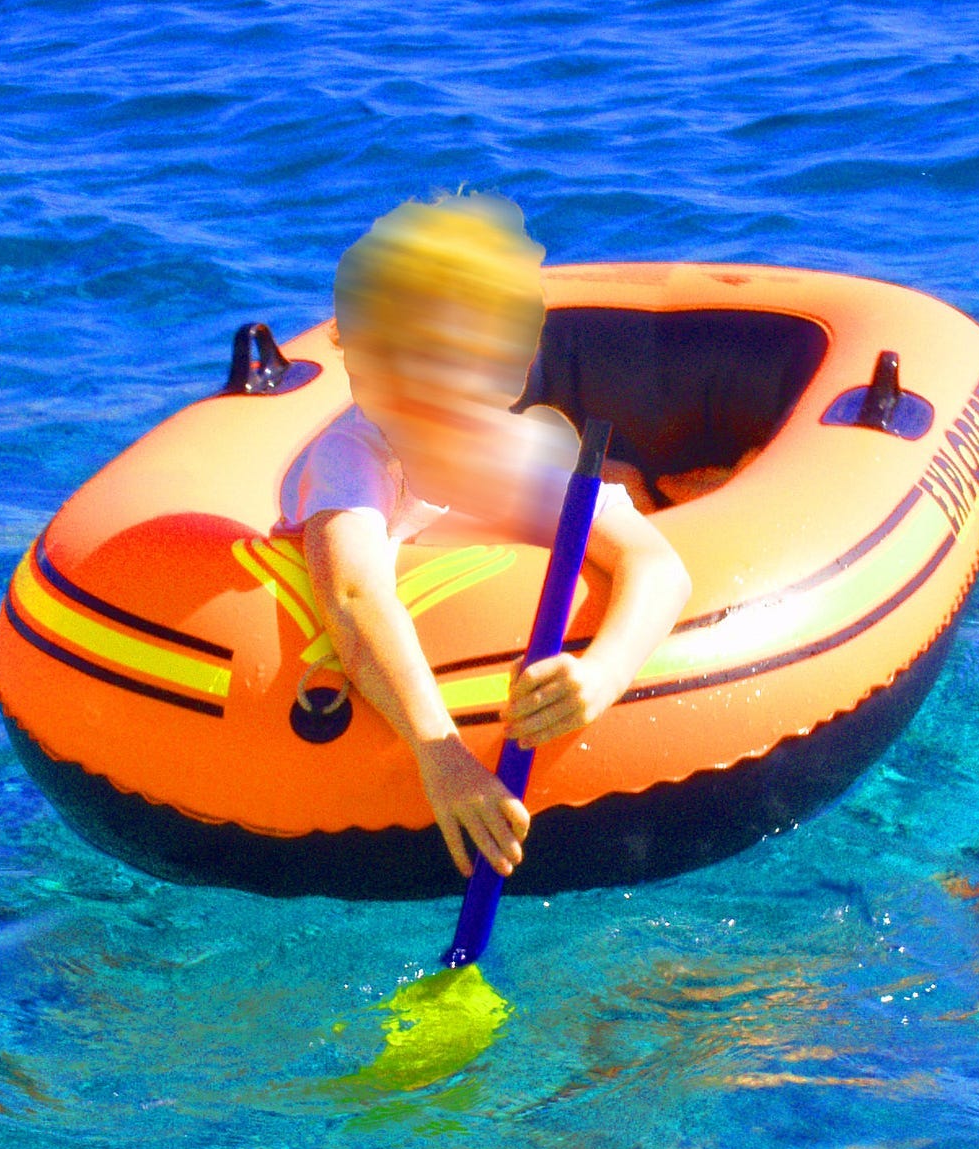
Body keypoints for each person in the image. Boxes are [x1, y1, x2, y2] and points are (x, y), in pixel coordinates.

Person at [278, 193, 691, 883]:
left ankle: (654, 480)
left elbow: (656, 563)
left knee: (620, 491)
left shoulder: (515, 455)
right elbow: (353, 594)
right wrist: (440, 752)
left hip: (521, 493)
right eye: (378, 362)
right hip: (410, 715)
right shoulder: (355, 455)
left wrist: (603, 675)